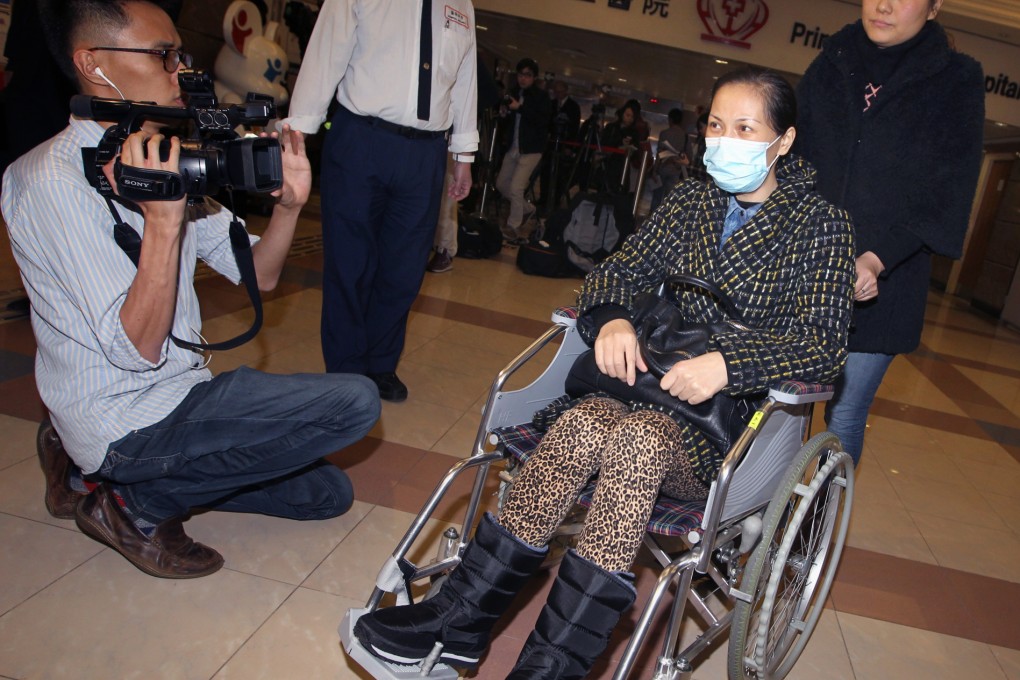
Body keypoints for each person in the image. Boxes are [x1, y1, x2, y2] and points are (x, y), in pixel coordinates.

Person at [351, 66, 856, 676]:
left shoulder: (821, 225)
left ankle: (556, 664)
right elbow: (615, 271)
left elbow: (823, 347)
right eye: (717, 126)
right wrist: (614, 317)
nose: (726, 140)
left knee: (636, 444)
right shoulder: (693, 200)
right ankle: (460, 617)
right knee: (585, 425)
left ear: (784, 141)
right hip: (640, 387)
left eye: (746, 128)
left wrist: (729, 364)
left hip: (726, 425)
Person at [1, 0, 381, 579]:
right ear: (93, 63)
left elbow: (261, 273)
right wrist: (161, 223)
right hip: (120, 415)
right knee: (355, 402)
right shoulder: (48, 181)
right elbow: (136, 351)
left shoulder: (162, 155)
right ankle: (131, 503)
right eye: (162, 56)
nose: (182, 70)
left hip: (180, 396)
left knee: (325, 494)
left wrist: (289, 211)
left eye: (180, 54)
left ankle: (89, 473)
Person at [795, 0, 984, 464]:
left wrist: (877, 257)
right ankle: (759, 509)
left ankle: (814, 529)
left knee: (843, 414)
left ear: (935, 7)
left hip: (887, 283)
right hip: (802, 272)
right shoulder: (831, 62)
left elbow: (946, 191)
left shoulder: (956, 80)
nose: (883, 5)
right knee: (780, 406)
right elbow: (794, 159)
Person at [284, 0, 479, 402]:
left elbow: (465, 79)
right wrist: (298, 132)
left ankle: (380, 364)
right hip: (361, 138)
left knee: (404, 269)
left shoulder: (461, 4)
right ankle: (346, 369)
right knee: (350, 262)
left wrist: (463, 155)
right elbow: (326, 51)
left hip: (426, 153)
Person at [495, 57, 551, 244]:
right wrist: (505, 113)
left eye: (527, 75)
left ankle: (513, 227)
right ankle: (528, 210)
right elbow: (508, 122)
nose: (523, 79)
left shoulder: (541, 97)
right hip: (513, 147)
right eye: (520, 74)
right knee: (502, 184)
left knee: (516, 187)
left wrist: (520, 108)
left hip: (532, 149)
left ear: (534, 77)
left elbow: (542, 121)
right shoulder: (513, 92)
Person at [600, 98, 649, 195]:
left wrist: (630, 147)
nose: (630, 119)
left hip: (623, 167)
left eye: (632, 117)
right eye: (627, 115)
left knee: (619, 193)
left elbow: (636, 151)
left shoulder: (634, 132)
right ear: (622, 114)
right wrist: (619, 143)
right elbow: (604, 143)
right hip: (608, 164)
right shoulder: (611, 127)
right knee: (604, 191)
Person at [650, 107, 690, 211]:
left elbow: (659, 153)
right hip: (676, 170)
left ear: (670, 119)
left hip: (663, 168)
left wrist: (654, 170)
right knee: (670, 199)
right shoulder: (685, 136)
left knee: (657, 198)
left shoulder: (664, 133)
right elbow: (689, 153)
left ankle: (653, 219)